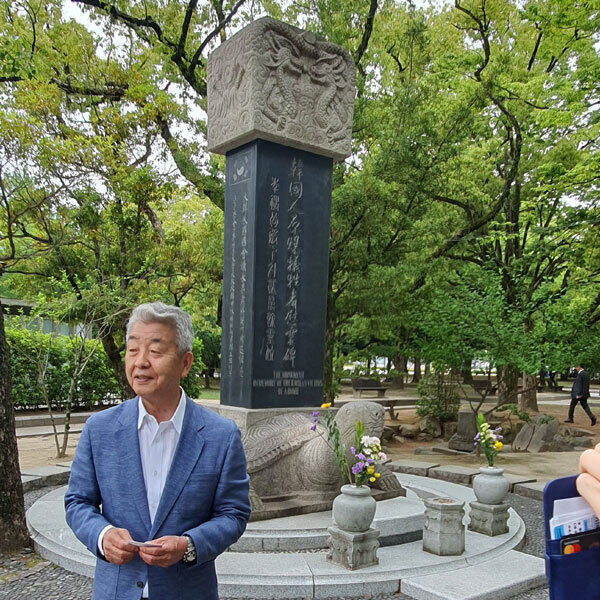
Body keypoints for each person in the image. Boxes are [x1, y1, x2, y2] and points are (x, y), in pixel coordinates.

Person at [65, 302, 250, 600]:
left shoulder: (220, 436)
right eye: (133, 349)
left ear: (185, 363)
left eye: (155, 350)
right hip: (116, 591)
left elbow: (233, 513)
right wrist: (102, 536)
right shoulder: (99, 429)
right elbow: (77, 502)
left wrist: (189, 544)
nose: (140, 362)